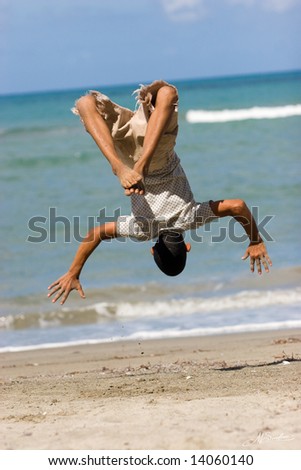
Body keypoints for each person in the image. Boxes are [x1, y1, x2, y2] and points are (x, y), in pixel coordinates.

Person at [48, 80, 272, 305]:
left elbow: (237, 206)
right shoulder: (141, 229)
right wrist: (73, 272)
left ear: (187, 246)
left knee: (167, 93)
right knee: (86, 103)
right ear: (152, 252)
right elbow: (95, 234)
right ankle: (117, 164)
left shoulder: (191, 217)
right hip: (127, 156)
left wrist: (255, 240)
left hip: (158, 149)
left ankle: (137, 163)